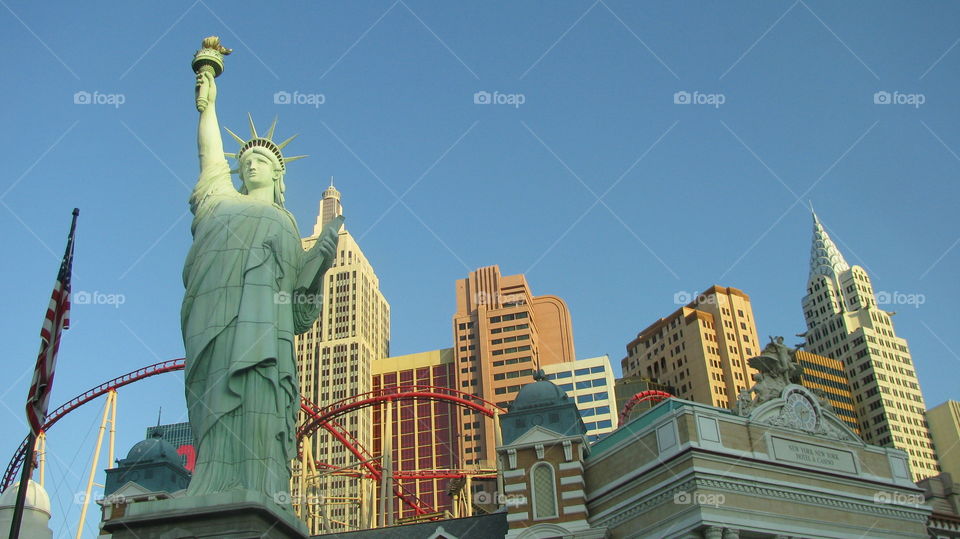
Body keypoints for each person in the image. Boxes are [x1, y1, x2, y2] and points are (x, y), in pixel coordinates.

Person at [180, 68, 340, 501]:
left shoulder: (287, 224)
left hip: (266, 339)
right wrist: (208, 105)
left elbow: (300, 312)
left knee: (260, 404)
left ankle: (260, 487)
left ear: (277, 175)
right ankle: (211, 483)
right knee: (216, 400)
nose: (250, 164)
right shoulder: (220, 201)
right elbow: (210, 156)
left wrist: (321, 264)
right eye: (246, 160)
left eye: (262, 161)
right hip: (216, 325)